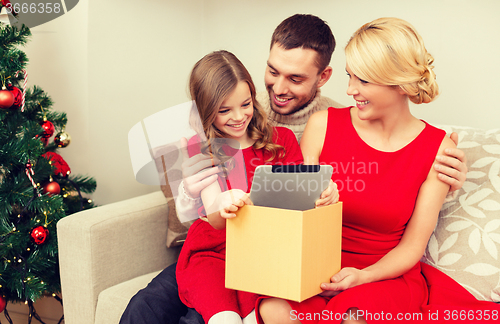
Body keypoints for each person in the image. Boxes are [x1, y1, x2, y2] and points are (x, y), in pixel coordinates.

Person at [120, 14, 468, 324]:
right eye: (273, 72)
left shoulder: (327, 124)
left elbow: (303, 196)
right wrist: (189, 189)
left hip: (316, 260)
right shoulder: (238, 113)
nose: (279, 88)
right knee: (146, 306)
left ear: (322, 78)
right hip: (237, 249)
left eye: (296, 78)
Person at [257, 17, 500, 324]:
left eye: (363, 81)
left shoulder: (439, 149)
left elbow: (413, 245)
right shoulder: (323, 124)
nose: (350, 90)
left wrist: (363, 276)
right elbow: (297, 213)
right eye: (350, 76)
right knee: (275, 311)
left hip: (383, 275)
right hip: (314, 268)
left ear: (400, 84)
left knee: (354, 318)